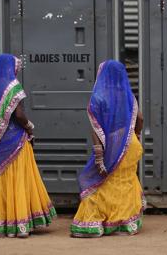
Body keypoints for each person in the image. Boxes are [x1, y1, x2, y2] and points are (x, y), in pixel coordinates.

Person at [0, 54, 56, 238]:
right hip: (15, 141)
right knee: (19, 179)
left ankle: (2, 223)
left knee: (2, 180)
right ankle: (20, 223)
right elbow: (19, 115)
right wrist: (30, 128)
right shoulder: (14, 88)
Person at [70, 60, 145, 237]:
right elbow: (140, 118)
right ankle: (123, 223)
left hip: (111, 146)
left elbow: (95, 128)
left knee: (102, 181)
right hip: (130, 144)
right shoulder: (127, 96)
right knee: (124, 181)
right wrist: (136, 136)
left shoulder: (99, 97)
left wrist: (98, 156)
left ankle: (94, 223)